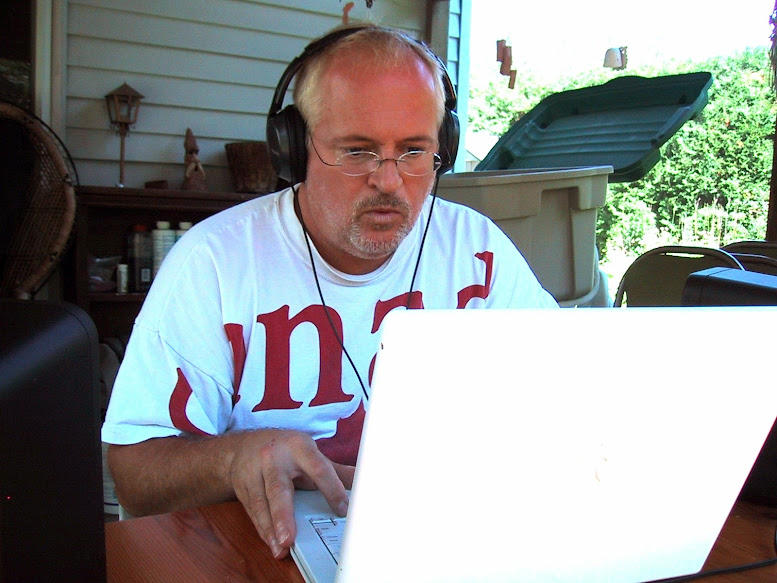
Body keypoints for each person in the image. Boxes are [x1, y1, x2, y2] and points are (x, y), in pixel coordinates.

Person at [102, 24, 557, 561]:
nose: (389, 181)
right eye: (358, 151)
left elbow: (561, 399)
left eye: (414, 151)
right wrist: (233, 459)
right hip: (259, 555)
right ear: (293, 150)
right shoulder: (214, 263)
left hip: (441, 543)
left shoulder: (477, 249)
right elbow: (133, 472)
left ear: (445, 148)